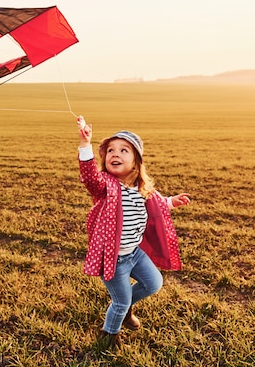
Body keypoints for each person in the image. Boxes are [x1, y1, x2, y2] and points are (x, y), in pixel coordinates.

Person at [77, 119, 190, 351]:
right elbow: (89, 177)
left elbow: (156, 203)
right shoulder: (106, 186)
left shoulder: (140, 188)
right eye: (110, 151)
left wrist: (171, 202)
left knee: (153, 283)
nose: (114, 154)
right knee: (119, 301)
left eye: (123, 150)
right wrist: (85, 144)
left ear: (136, 162)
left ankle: (127, 307)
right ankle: (108, 336)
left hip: (135, 254)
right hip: (114, 259)